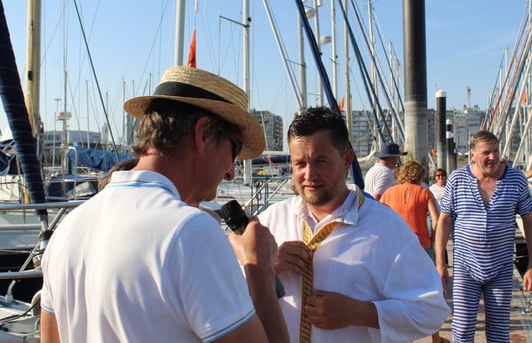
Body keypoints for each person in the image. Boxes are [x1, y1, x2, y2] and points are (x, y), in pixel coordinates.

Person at [40, 66, 289, 343]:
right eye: (235, 150)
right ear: (204, 133)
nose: (231, 172)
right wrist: (259, 268)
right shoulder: (191, 231)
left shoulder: (67, 228)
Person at [259, 107, 450, 343]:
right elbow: (230, 297)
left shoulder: (386, 228)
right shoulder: (270, 221)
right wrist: (266, 269)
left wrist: (360, 312)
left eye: (320, 161)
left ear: (347, 160)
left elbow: (431, 310)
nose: (309, 174)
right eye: (300, 164)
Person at [435, 130, 532, 343]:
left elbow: (529, 222)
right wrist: (440, 263)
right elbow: (445, 220)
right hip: (465, 267)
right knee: (462, 330)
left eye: (495, 151)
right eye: (486, 153)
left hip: (501, 267)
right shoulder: (457, 179)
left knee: (499, 333)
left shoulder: (516, 179)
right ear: (473, 154)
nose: (493, 157)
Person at [380, 161, 447, 343]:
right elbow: (436, 220)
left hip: (395, 248)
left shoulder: (388, 193)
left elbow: (381, 218)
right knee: (429, 292)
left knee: (399, 294)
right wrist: (434, 241)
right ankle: (435, 338)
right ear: (420, 176)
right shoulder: (425, 193)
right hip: (421, 246)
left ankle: (404, 337)